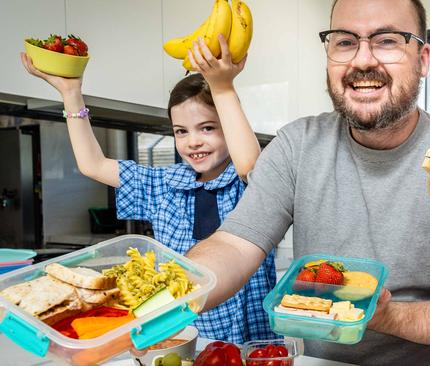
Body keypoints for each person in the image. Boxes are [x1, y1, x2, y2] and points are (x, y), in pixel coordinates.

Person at [186, 0, 430, 364]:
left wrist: (380, 314)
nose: (362, 60)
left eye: (387, 40)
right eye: (345, 41)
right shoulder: (296, 145)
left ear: (423, 59)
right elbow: (235, 244)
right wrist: (175, 289)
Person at [21, 36, 278, 343]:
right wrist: (71, 94)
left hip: (256, 344)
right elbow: (93, 165)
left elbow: (248, 164)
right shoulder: (161, 185)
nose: (192, 141)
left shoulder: (253, 184)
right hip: (180, 338)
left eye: (207, 127)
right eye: (181, 131)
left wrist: (224, 88)